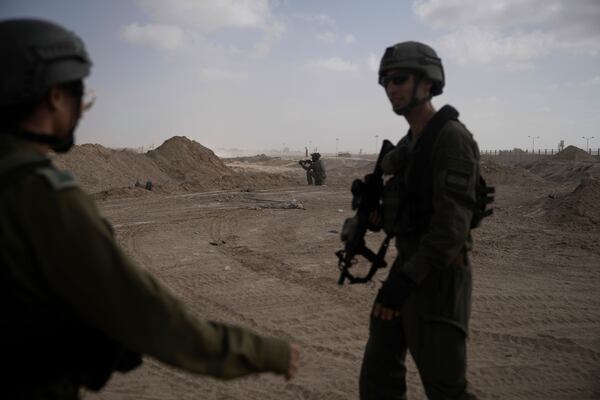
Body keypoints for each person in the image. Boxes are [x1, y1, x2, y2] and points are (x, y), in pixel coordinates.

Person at [0, 18, 299, 399]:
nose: (82, 109)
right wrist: (263, 352)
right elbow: (148, 315)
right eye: (80, 97)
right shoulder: (40, 194)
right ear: (55, 95)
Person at [359, 41, 479, 399]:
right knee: (378, 375)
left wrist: (404, 283)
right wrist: (378, 215)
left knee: (446, 389)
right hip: (409, 267)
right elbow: (413, 212)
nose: (390, 88)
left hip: (438, 278)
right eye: (385, 82)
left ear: (427, 83)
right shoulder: (410, 143)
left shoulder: (451, 139)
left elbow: (450, 230)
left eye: (399, 79)